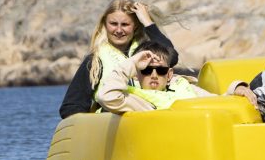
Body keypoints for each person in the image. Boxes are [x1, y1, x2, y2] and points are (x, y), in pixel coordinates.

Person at [58, 0, 173, 118]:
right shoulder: (95, 62)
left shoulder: (146, 53)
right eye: (113, 24)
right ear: (105, 25)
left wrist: (148, 22)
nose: (118, 30)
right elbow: (70, 107)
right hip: (112, 123)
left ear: (135, 27)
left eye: (125, 24)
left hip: (151, 115)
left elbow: (171, 56)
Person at [97, 41, 254, 113]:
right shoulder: (134, 101)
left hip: (196, 145)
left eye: (160, 71)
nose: (153, 75)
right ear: (136, 75)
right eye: (146, 70)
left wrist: (237, 88)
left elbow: (218, 102)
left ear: (169, 74)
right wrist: (132, 63)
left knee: (261, 83)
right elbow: (106, 96)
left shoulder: (186, 89)